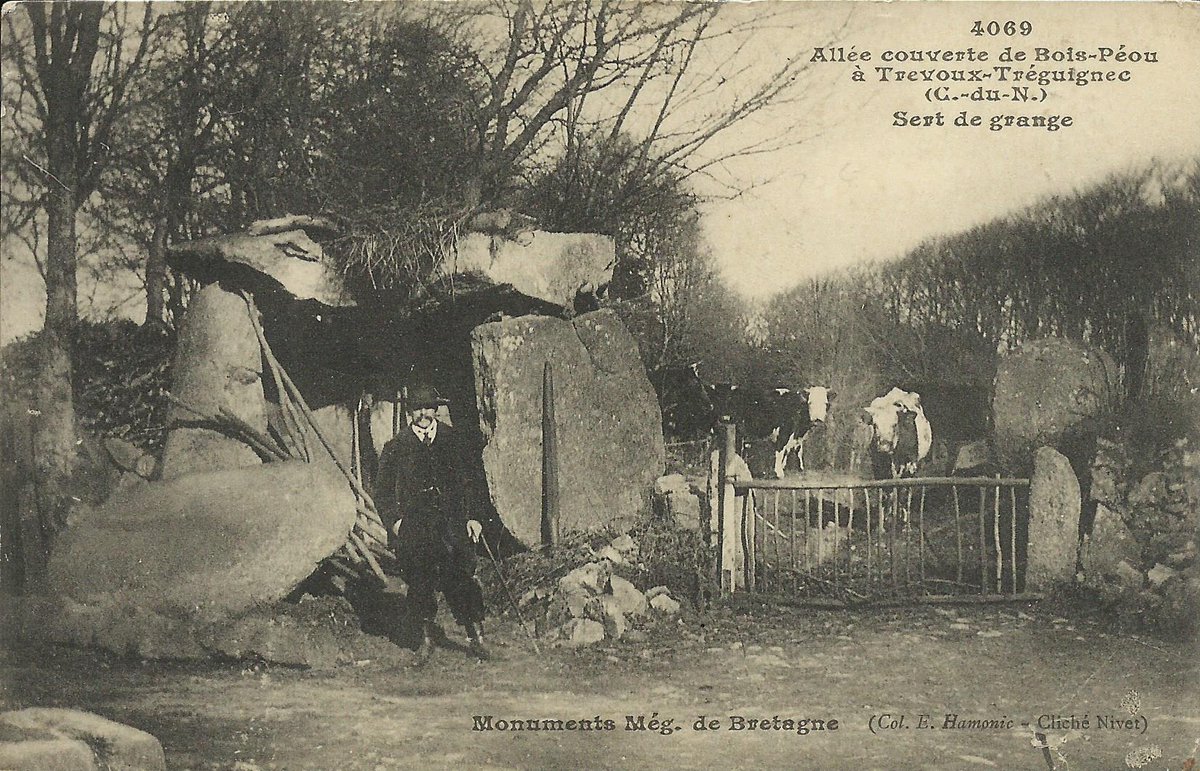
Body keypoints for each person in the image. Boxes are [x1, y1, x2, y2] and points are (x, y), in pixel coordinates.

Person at [374, 382, 489, 661]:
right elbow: (383, 492)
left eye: (429, 407)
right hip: (416, 527)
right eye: (418, 408)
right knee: (420, 580)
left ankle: (476, 637)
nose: (424, 413)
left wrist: (474, 517)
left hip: (453, 524)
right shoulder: (396, 447)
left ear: (436, 410)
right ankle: (425, 640)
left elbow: (472, 482)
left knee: (462, 576)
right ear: (409, 412)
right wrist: (396, 523)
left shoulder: (453, 440)